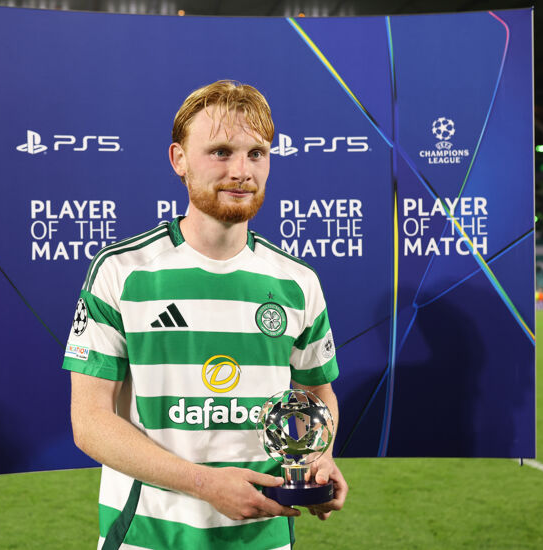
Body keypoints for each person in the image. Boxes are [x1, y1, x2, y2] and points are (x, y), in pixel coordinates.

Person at [63, 80, 347, 549]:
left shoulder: (298, 282)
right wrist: (202, 484)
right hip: (148, 537)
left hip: (266, 538)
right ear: (178, 159)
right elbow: (89, 421)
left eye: (257, 153)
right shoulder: (122, 273)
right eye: (220, 151)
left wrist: (320, 458)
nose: (241, 170)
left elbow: (317, 394)